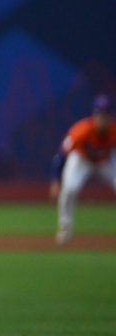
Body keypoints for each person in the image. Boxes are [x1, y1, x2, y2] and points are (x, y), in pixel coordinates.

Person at [50, 94, 116, 245]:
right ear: (94, 115)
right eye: (100, 114)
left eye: (106, 115)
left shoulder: (114, 130)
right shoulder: (81, 131)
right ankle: (65, 229)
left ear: (111, 117)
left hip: (105, 160)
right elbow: (61, 155)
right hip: (81, 160)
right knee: (70, 189)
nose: (103, 118)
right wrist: (56, 179)